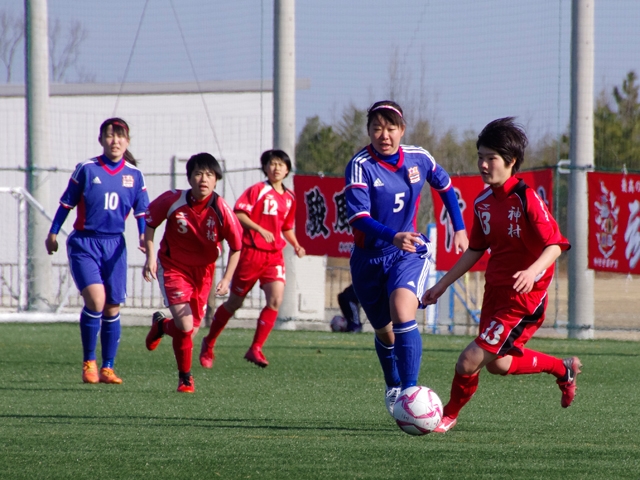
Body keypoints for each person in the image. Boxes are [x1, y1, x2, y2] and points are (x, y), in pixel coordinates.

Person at [422, 117, 580, 434]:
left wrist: (533, 271)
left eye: (490, 158)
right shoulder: (482, 202)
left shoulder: (527, 199)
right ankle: (562, 369)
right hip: (495, 292)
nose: (483, 164)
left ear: (511, 162)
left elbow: (556, 244)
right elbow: (475, 250)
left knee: (468, 361)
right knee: (498, 364)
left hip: (524, 300)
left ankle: (446, 416)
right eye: (480, 156)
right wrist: (440, 285)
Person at [344, 100, 468, 417]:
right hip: (368, 260)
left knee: (402, 309)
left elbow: (445, 185)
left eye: (390, 127)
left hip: (407, 250)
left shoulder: (419, 158)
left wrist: (460, 227)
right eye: (376, 128)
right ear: (369, 131)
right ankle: (394, 384)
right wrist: (391, 235)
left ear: (402, 130)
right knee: (384, 333)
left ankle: (411, 393)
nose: (383, 134)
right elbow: (358, 218)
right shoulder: (360, 165)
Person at [45, 117, 149, 385]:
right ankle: (89, 362)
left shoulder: (134, 175)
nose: (115, 141)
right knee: (96, 301)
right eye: (110, 135)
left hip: (115, 245)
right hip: (85, 243)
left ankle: (108, 368)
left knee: (112, 306)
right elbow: (67, 203)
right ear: (101, 140)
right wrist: (54, 232)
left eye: (120, 136)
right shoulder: (87, 169)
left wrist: (142, 237)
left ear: (128, 141)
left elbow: (141, 212)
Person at [143, 153, 242, 393]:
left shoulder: (221, 209)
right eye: (198, 173)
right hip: (174, 266)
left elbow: (237, 247)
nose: (203, 179)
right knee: (186, 325)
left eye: (209, 174)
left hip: (204, 273)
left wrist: (227, 279)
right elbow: (150, 224)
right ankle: (185, 379)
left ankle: (161, 326)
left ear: (216, 179)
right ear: (189, 178)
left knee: (190, 330)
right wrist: (149, 257)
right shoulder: (172, 200)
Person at [199, 149, 306, 369]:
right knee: (235, 303)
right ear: (265, 167)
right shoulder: (257, 190)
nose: (276, 168)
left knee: (275, 299)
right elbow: (239, 213)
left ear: (287, 170)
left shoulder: (290, 197)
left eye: (280, 164)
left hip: (274, 256)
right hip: (251, 253)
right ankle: (208, 343)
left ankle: (255, 348)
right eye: (272, 163)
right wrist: (259, 229)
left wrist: (295, 244)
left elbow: (286, 227)